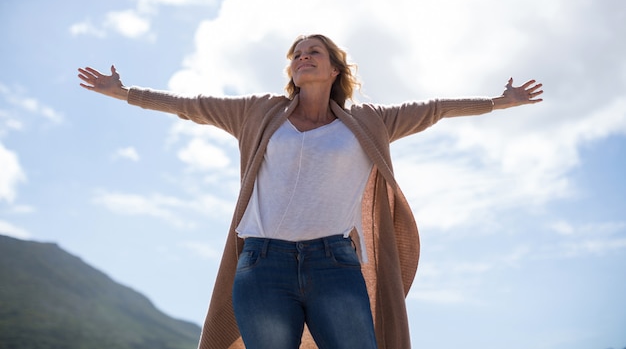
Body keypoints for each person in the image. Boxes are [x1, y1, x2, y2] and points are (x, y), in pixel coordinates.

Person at [77, 34, 543, 349]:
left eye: (314, 50)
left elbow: (437, 108)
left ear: (336, 67)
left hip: (335, 263)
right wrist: (125, 92)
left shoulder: (371, 121)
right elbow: (190, 106)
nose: (302, 56)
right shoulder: (258, 113)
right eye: (296, 53)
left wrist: (500, 102)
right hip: (262, 263)